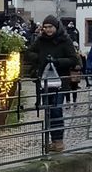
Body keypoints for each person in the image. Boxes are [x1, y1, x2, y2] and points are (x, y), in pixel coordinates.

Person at [27, 15, 80, 151]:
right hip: (45, 81)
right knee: (49, 110)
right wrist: (40, 59)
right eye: (45, 27)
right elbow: (29, 53)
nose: (48, 30)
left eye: (50, 27)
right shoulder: (41, 41)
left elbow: (73, 59)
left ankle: (59, 141)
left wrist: (57, 61)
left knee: (56, 109)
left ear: (56, 27)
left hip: (60, 81)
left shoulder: (65, 41)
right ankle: (53, 140)